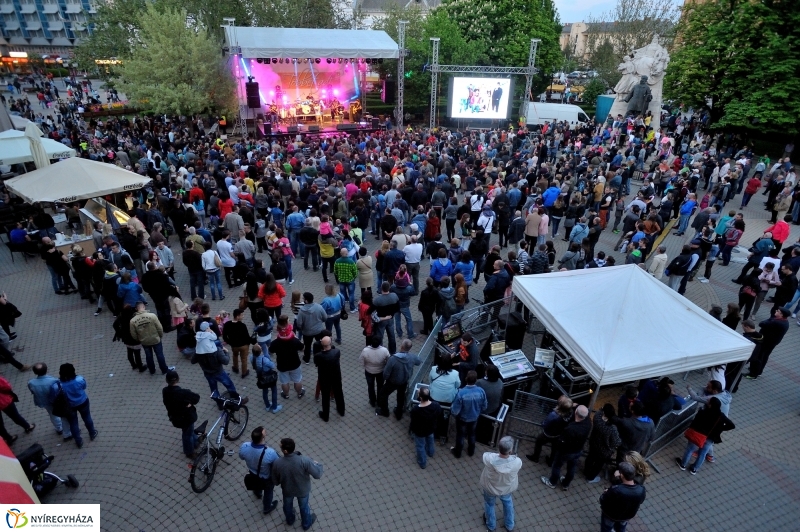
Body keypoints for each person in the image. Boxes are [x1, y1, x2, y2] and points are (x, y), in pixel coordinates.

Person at [271, 438, 323, 531]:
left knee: (287, 505)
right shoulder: (304, 460)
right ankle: (306, 524)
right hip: (302, 490)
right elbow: (317, 474)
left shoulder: (277, 463)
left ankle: (290, 520)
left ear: (285, 451)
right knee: (304, 507)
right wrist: (318, 464)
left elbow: (275, 481)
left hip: (287, 490)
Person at [676, 396, 735, 475]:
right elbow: (732, 425)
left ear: (711, 405)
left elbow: (695, 422)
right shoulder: (721, 416)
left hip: (698, 434)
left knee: (690, 449)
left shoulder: (703, 412)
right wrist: (720, 428)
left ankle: (683, 464)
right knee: (703, 453)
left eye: (709, 401)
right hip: (710, 437)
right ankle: (694, 469)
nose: (707, 401)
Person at [541, 405, 591, 491]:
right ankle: (565, 484)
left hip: (566, 452)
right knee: (572, 468)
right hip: (578, 450)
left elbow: (562, 441)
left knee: (556, 466)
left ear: (575, 412)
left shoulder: (571, 428)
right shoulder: (588, 423)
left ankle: (552, 482)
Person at [480, 436, 522, 532]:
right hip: (506, 489)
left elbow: (486, 455)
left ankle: (491, 526)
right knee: (508, 503)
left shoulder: (489, 459)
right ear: (510, 451)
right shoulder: (517, 462)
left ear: (499, 448)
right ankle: (509, 525)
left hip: (490, 488)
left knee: (489, 504)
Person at [51, 363, 97, 449]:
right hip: (82, 402)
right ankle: (92, 433)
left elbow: (55, 394)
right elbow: (84, 387)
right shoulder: (80, 379)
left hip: (69, 406)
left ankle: (78, 441)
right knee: (87, 417)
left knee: (73, 423)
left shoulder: (57, 385)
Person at [191, 321, 239, 398]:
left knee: (213, 389)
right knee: (229, 385)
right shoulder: (217, 350)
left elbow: (193, 361)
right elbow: (226, 361)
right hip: (218, 372)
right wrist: (226, 352)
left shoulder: (198, 350)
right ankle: (235, 399)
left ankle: (219, 403)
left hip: (207, 373)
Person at [376, 339, 421, 420]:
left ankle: (385, 411)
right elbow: (419, 361)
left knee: (383, 393)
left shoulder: (393, 359)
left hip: (392, 381)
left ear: (401, 346)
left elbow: (386, 372)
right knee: (401, 397)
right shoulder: (412, 357)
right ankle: (398, 414)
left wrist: (385, 379)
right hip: (404, 381)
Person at [239, 426, 280, 515]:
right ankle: (267, 508)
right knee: (268, 492)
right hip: (266, 477)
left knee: (256, 484)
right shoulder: (270, 452)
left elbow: (241, 456)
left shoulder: (244, 446)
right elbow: (278, 464)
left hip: (252, 472)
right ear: (263, 438)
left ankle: (257, 493)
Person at [162, 370, 202, 458]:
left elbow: (168, 403)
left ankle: (196, 441)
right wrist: (189, 404)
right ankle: (189, 452)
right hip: (186, 418)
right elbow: (196, 398)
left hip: (174, 417)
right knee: (187, 433)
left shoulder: (165, 391)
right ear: (177, 380)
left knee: (188, 431)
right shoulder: (184, 392)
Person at [599, 462, 647, 532]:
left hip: (611, 515)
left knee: (606, 528)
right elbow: (641, 501)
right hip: (627, 516)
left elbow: (602, 500)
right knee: (621, 528)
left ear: (621, 475)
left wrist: (607, 492)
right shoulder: (641, 489)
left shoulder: (615, 490)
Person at [450, 370, 488, 459]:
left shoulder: (461, 392)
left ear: (466, 379)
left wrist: (453, 412)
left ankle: (458, 452)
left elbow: (455, 411)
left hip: (462, 418)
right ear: (476, 380)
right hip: (474, 417)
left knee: (460, 435)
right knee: (472, 434)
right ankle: (471, 451)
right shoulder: (481, 391)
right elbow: (485, 406)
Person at [129, 301, 174, 375]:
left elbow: (133, 334)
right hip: (155, 339)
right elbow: (159, 328)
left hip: (144, 341)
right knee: (159, 355)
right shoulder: (152, 316)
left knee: (148, 356)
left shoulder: (133, 321)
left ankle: (152, 370)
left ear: (136, 309)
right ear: (143, 306)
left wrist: (139, 339)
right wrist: (160, 336)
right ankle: (164, 369)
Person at [27, 362, 70, 440]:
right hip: (57, 401)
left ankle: (59, 428)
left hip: (45, 402)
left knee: (52, 415)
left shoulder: (31, 383)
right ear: (46, 370)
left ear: (35, 372)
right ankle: (67, 430)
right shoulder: (54, 380)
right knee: (63, 414)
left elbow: (32, 391)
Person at [745, 306, 790, 379]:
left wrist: (771, 319)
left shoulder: (776, 322)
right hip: (772, 342)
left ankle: (753, 374)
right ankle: (759, 371)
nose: (776, 311)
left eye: (778, 311)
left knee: (758, 356)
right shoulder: (785, 322)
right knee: (764, 356)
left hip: (766, 342)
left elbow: (761, 324)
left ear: (781, 315)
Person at [526, 395, 573, 464]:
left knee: (538, 442)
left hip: (548, 434)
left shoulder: (554, 415)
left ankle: (535, 457)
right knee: (554, 448)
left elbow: (545, 424)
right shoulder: (570, 414)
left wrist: (542, 423)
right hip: (558, 435)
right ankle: (551, 462)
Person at [269, 316, 306, 399]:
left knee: (284, 382)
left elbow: (271, 351)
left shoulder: (275, 342)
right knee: (297, 380)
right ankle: (299, 393)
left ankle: (286, 394)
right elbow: (302, 348)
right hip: (295, 363)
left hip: (282, 364)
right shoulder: (294, 340)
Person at [585, 404, 622, 483]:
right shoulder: (612, 428)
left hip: (594, 443)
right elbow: (617, 441)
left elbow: (599, 412)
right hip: (604, 450)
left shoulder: (597, 418)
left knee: (590, 458)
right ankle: (590, 478)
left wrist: (602, 409)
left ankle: (586, 471)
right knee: (598, 464)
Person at [409, 387, 441, 469]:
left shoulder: (416, 410)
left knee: (420, 446)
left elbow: (413, 422)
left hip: (420, 431)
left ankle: (422, 462)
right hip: (430, 429)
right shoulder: (436, 405)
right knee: (430, 441)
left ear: (420, 397)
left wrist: (412, 430)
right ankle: (430, 453)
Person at [314, 336, 345, 422]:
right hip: (336, 377)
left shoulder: (318, 355)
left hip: (324, 378)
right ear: (330, 343)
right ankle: (341, 410)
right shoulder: (337, 352)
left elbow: (316, 363)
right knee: (339, 393)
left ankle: (326, 415)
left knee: (325, 396)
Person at [0, 374, 35, 445]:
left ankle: (8, 438)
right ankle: (27, 426)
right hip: (3, 400)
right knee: (15, 415)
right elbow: (6, 386)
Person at [295, 292, 327, 364]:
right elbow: (325, 317)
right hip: (318, 330)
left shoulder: (302, 311)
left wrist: (301, 328)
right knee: (319, 343)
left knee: (307, 345)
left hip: (307, 332)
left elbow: (299, 323)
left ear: (306, 300)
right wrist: (320, 322)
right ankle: (319, 357)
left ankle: (307, 359)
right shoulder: (319, 307)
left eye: (303, 299)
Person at [358, 336, 390, 408]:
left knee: (370, 386)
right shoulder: (384, 350)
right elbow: (389, 361)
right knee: (380, 386)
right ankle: (379, 401)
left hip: (369, 371)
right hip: (380, 371)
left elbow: (361, 361)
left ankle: (372, 401)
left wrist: (365, 366)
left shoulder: (365, 350)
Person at [251, 344, 281, 414]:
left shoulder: (251, 357)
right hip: (269, 376)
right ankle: (274, 407)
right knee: (274, 390)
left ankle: (267, 406)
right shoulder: (264, 359)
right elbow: (273, 365)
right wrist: (267, 356)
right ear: (260, 351)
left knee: (265, 391)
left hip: (261, 377)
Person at [222, 308, 251, 377]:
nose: (243, 316)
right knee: (244, 359)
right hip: (244, 346)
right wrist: (250, 343)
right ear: (237, 317)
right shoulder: (242, 325)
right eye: (242, 315)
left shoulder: (227, 324)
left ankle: (235, 368)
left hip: (234, 346)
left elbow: (224, 336)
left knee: (235, 355)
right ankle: (244, 372)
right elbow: (247, 337)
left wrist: (230, 342)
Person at [333, 248, 358, 313]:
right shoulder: (351, 261)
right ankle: (352, 308)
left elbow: (335, 271)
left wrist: (339, 277)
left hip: (341, 280)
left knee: (342, 294)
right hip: (350, 280)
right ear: (347, 253)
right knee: (351, 294)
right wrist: (353, 278)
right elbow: (355, 272)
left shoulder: (337, 261)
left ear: (341, 253)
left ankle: (343, 308)